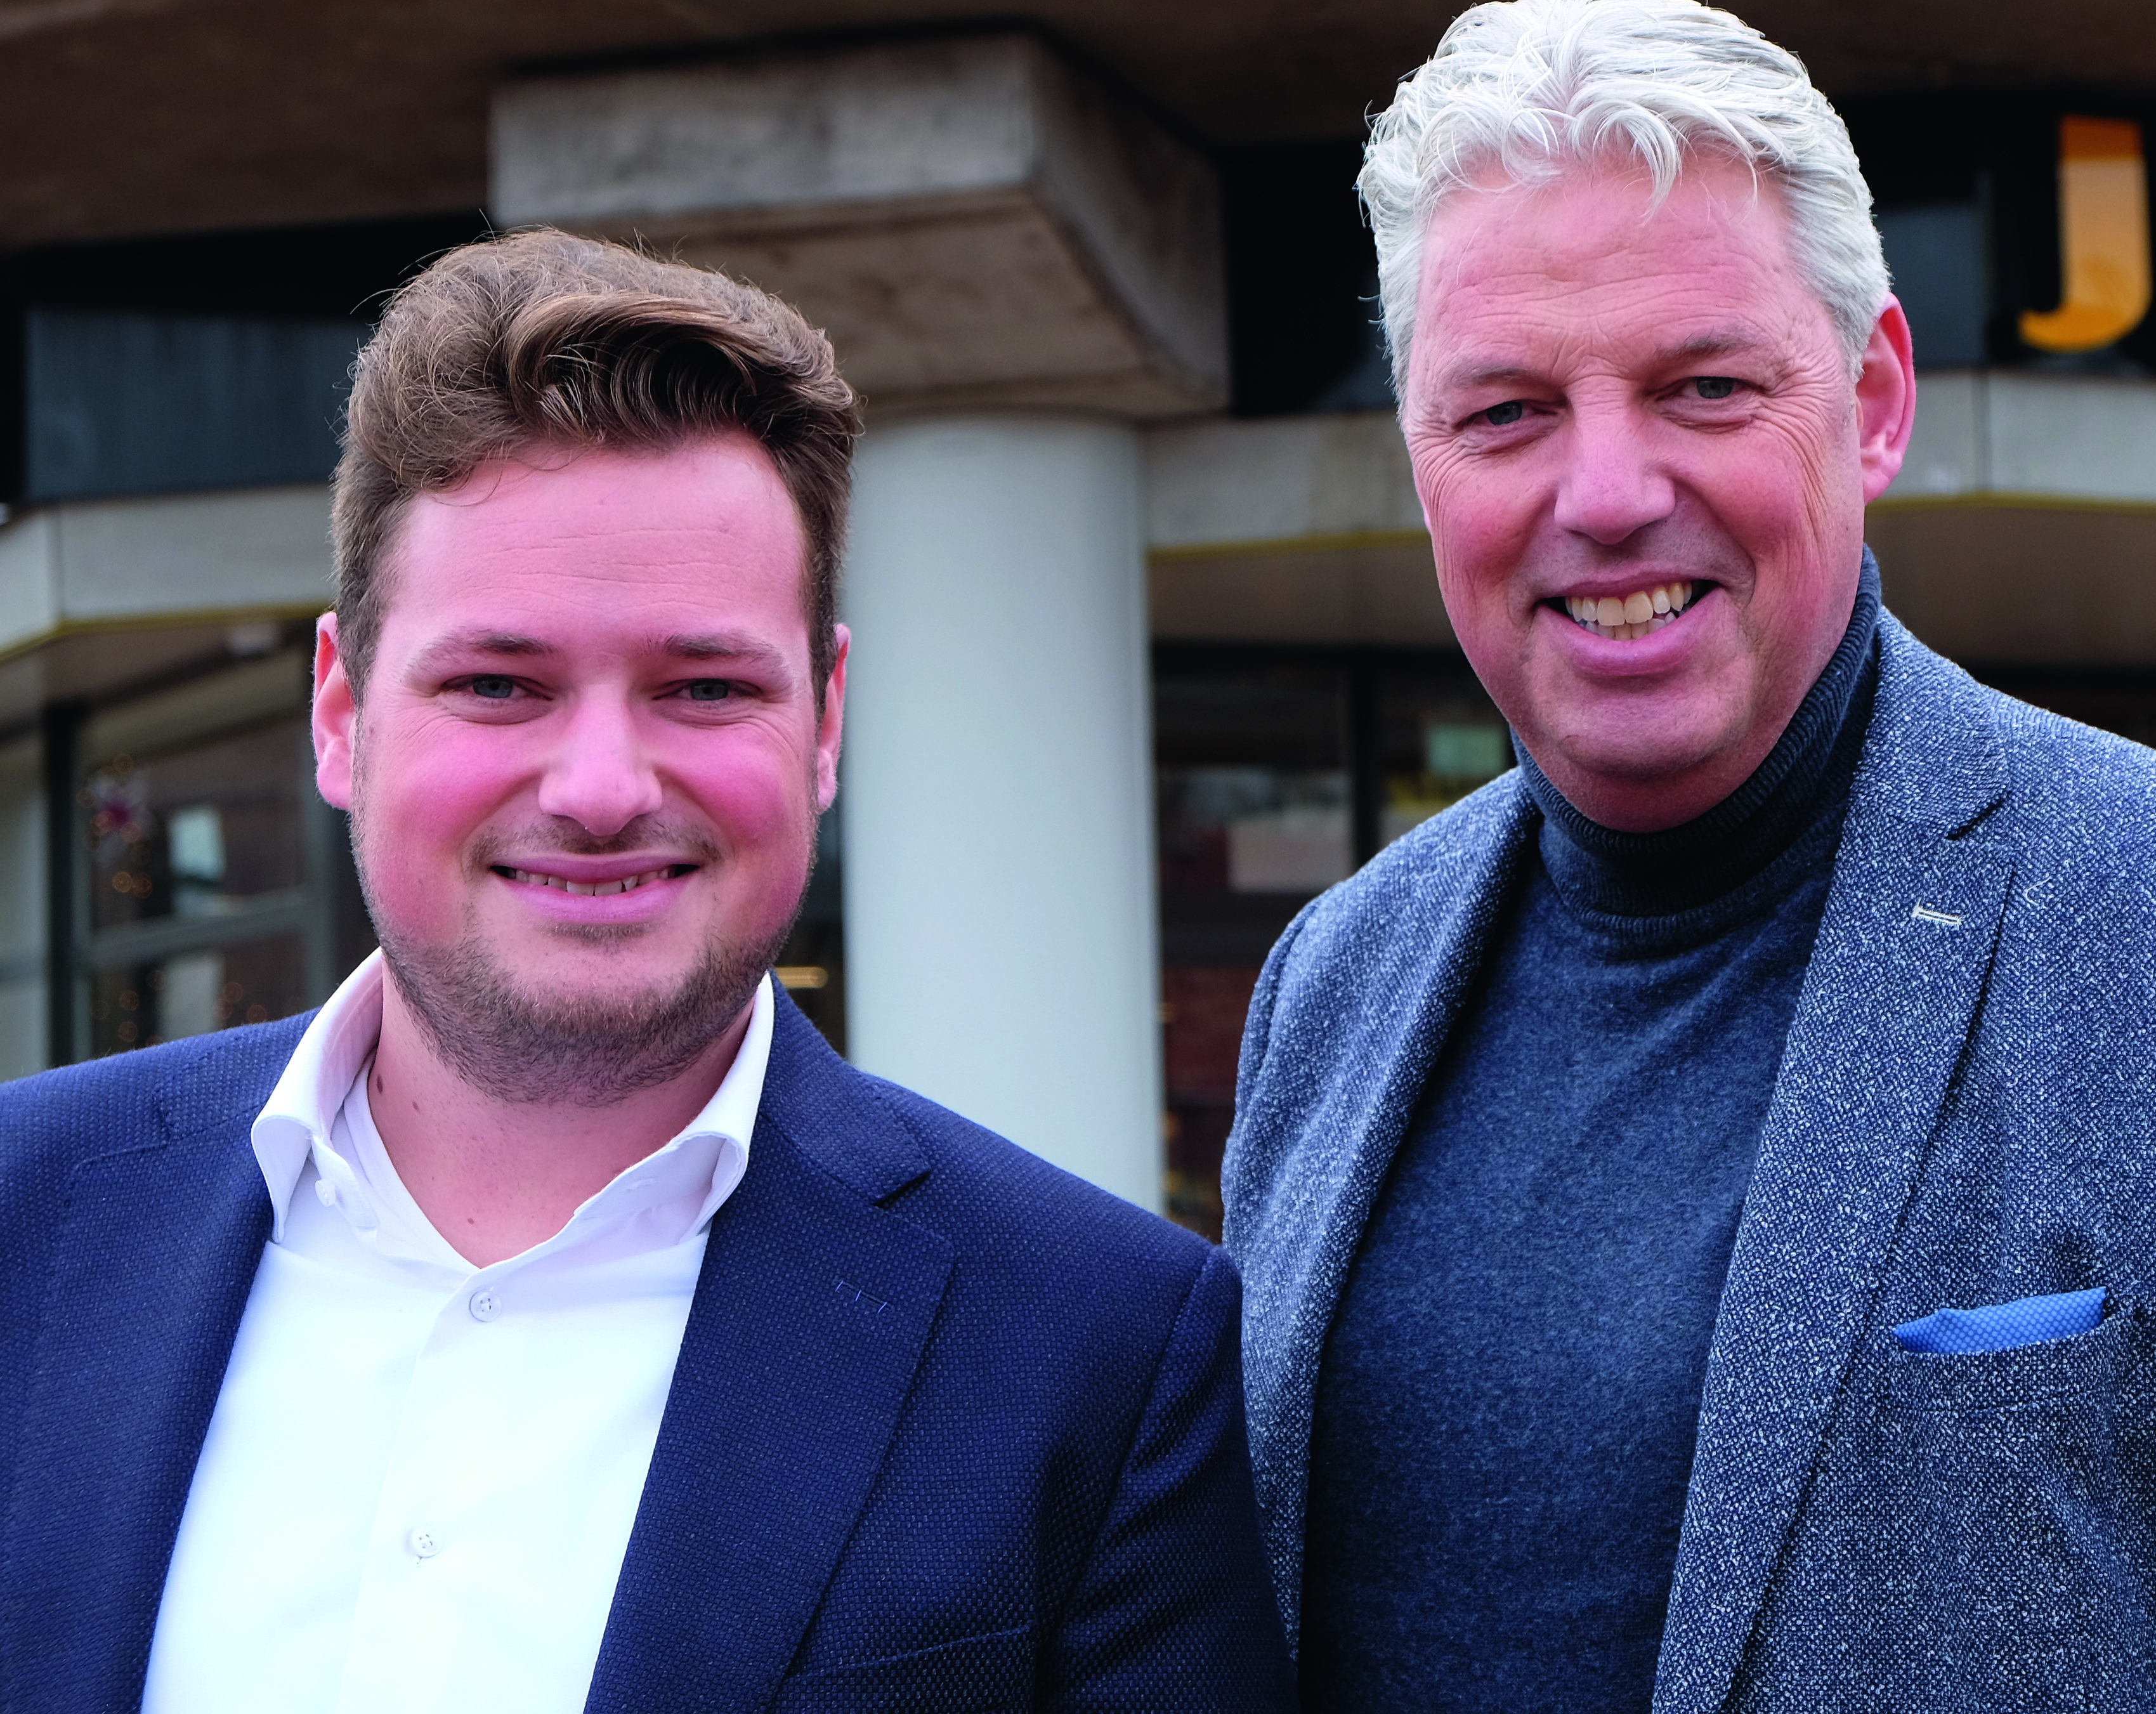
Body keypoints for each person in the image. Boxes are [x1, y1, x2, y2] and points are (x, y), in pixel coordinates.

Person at [1220, 0, 2156, 1713]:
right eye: (1504, 412)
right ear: (1421, 462)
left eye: (1705, 386)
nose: (1606, 490)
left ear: (1872, 403)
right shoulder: (1333, 986)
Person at [0, 233, 1293, 1713]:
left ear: (824, 721)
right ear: (342, 713)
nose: (603, 785)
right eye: (499, 684)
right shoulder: (24, 1220)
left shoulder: (1099, 1358)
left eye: (703, 687)